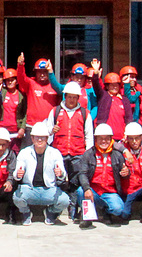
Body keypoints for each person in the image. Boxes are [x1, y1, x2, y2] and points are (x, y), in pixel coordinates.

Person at [45, 81, 94, 218]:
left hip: (78, 153)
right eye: (69, 97)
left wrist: (88, 154)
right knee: (59, 181)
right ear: (65, 96)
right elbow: (46, 131)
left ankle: (73, 208)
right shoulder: (55, 111)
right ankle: (57, 208)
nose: (71, 100)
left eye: (74, 97)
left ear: (78, 98)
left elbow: (89, 135)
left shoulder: (85, 114)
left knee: (75, 182)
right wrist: (51, 130)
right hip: (59, 152)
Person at [12, 122, 69, 226]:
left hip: (49, 189)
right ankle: (26, 213)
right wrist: (18, 175)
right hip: (30, 189)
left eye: (42, 138)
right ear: (32, 138)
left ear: (47, 139)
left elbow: (62, 172)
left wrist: (60, 173)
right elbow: (16, 172)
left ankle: (51, 212)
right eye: (37, 137)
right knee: (17, 197)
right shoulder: (25, 152)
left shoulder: (55, 152)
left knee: (64, 200)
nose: (39, 140)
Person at [77, 123, 129, 229]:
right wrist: (87, 188)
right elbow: (82, 173)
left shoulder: (117, 155)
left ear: (111, 139)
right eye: (100, 138)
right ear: (96, 139)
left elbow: (125, 175)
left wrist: (126, 173)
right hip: (93, 191)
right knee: (81, 191)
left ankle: (106, 212)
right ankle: (87, 217)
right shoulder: (88, 154)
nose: (103, 141)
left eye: (106, 138)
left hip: (110, 192)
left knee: (118, 209)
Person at [16, 54, 58, 148]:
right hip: (31, 126)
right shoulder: (31, 84)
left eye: (45, 72)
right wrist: (20, 65)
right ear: (35, 72)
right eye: (39, 72)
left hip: (49, 128)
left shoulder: (55, 86)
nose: (42, 74)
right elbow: (21, 79)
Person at [90, 59, 133, 141]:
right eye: (111, 85)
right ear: (107, 86)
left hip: (120, 138)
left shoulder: (124, 100)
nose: (114, 87)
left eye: (116, 85)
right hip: (104, 137)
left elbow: (129, 119)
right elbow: (96, 85)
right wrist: (95, 72)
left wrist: (128, 134)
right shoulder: (103, 96)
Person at [0, 68, 27, 154]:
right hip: (1, 128)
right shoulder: (2, 92)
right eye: (7, 80)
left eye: (12, 80)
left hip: (15, 130)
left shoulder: (21, 95)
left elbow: (25, 113)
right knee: (0, 151)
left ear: (16, 81)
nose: (10, 82)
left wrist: (22, 128)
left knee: (14, 153)